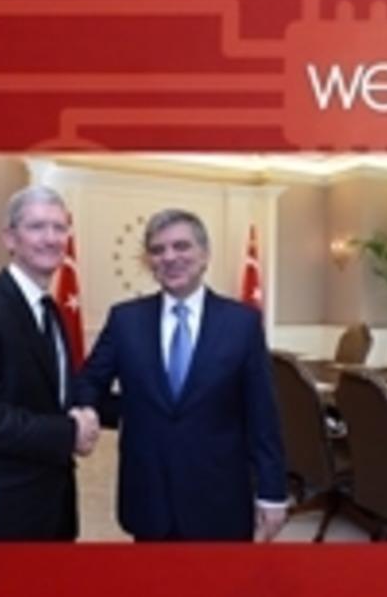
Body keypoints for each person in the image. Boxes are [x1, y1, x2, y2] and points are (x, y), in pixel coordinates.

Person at [74, 208, 287, 541]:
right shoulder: (125, 320)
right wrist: (100, 410)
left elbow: (262, 414)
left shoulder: (241, 323)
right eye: (158, 250)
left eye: (181, 246)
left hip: (221, 497)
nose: (170, 257)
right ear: (150, 261)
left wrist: (272, 492)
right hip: (149, 494)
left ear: (205, 255)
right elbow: (89, 382)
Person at [0, 185, 100, 541]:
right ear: (10, 239)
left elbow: (58, 393)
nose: (51, 238)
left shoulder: (51, 311)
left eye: (59, 227)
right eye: (37, 227)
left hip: (52, 512)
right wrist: (70, 432)